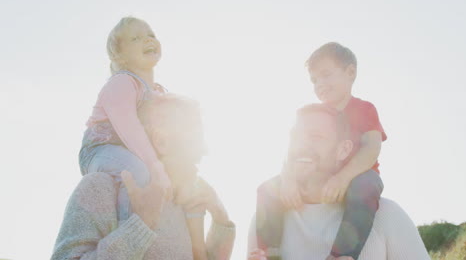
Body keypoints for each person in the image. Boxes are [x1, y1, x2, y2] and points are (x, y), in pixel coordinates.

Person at [52, 95, 236, 260]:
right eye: (195, 139)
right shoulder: (100, 188)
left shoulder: (184, 200)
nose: (204, 150)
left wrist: (220, 217)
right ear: (161, 141)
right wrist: (141, 224)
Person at [256, 42, 387, 259]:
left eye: (326, 75)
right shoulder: (310, 116)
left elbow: (372, 148)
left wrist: (343, 178)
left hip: (356, 177)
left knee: (364, 187)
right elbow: (292, 152)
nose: (320, 84)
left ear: (350, 72)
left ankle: (341, 255)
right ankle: (269, 252)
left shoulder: (364, 109)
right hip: (315, 177)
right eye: (314, 80)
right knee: (266, 189)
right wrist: (288, 180)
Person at [249, 104, 430, 260]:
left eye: (316, 137)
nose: (301, 145)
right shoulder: (266, 218)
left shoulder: (387, 215)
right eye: (295, 137)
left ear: (343, 150)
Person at [78, 16, 171, 224]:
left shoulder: (156, 93)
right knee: (135, 172)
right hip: (99, 150)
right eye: (136, 38)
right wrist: (156, 167)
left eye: (151, 35)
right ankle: (126, 229)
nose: (148, 40)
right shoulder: (121, 83)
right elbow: (130, 128)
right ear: (120, 55)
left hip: (132, 152)